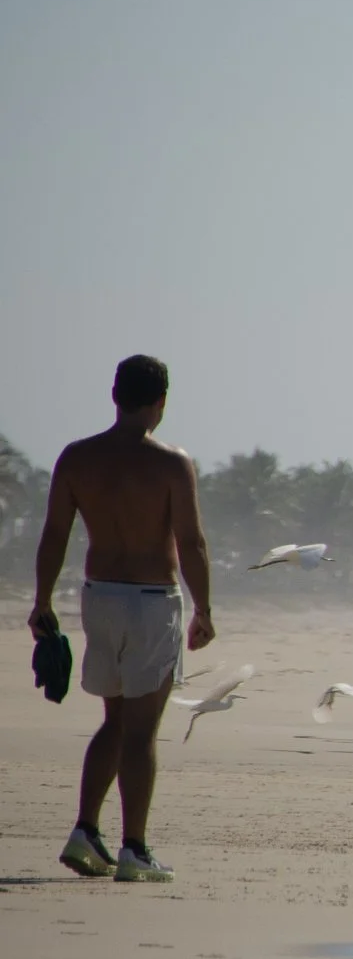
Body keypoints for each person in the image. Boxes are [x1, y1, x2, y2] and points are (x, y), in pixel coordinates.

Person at [27, 356, 214, 883]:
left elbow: (54, 534)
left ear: (114, 394)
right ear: (161, 403)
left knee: (114, 721)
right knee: (141, 731)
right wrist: (203, 608)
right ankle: (135, 847)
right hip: (153, 601)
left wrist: (42, 599)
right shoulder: (171, 463)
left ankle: (86, 830)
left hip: (99, 596)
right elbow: (191, 541)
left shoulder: (76, 458)